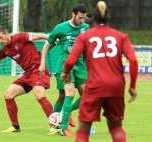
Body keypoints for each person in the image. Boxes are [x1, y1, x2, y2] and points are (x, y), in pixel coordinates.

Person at [61, 1, 138, 142]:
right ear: (109, 19)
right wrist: (132, 87)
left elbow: (71, 60)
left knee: (83, 129)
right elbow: (133, 61)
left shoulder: (85, 36)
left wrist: (66, 72)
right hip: (116, 86)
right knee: (116, 128)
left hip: (95, 85)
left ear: (93, 19)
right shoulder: (121, 37)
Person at [0, 26, 54, 133]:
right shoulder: (4, 50)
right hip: (27, 74)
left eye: (1, 37)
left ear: (7, 34)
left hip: (38, 69)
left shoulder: (21, 37)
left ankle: (54, 125)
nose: (0, 41)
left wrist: (55, 38)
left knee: (39, 95)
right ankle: (15, 126)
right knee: (8, 94)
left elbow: (41, 36)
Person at [39, 3, 89, 137]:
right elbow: (47, 45)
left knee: (86, 96)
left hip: (80, 65)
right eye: (80, 17)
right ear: (73, 14)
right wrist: (42, 63)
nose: (82, 21)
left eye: (84, 18)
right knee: (69, 94)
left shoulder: (85, 27)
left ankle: (64, 114)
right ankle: (63, 128)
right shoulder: (60, 28)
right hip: (65, 65)